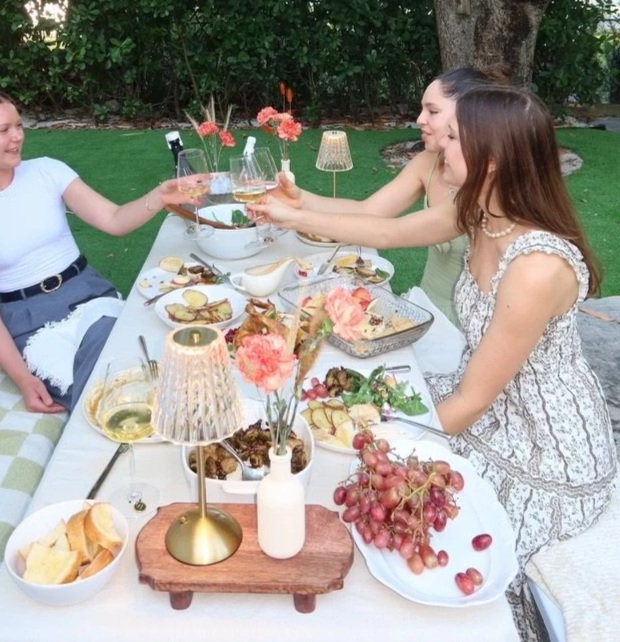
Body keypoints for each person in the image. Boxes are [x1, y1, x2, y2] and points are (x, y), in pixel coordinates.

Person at [254, 83, 617, 640]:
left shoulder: (537, 266)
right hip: (485, 397)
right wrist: (290, 212)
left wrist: (379, 451)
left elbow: (470, 401)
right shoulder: (481, 213)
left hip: (541, 442)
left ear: (490, 160)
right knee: (362, 412)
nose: (435, 144)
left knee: (430, 524)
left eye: (451, 136)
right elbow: (386, 229)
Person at [0, 76, 194, 414]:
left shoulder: (47, 172)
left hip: (88, 296)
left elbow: (114, 219)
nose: (17, 136)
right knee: (100, 398)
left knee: (123, 359)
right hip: (31, 324)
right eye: (3, 130)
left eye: (18, 125)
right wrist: (23, 379)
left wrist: (159, 196)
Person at [273, 67, 505, 325]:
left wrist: (294, 217)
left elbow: (388, 233)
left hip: (479, 324)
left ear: (471, 116)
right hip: (428, 309)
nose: (420, 119)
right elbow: (369, 211)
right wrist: (300, 199)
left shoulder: (488, 191)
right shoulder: (428, 162)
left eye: (433, 111)